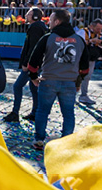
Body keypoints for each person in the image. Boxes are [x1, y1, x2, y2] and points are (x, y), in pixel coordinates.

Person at [27, 9, 89, 151]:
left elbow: (33, 60)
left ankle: (39, 140)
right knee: (68, 113)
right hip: (70, 82)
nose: (48, 22)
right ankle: (66, 141)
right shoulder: (79, 40)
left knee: (42, 111)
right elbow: (85, 66)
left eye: (51, 19)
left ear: (57, 21)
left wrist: (33, 77)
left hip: (48, 80)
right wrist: (79, 81)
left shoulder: (48, 38)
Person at [4, 8, 45, 123]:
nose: (26, 15)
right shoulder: (39, 26)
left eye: (29, 14)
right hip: (37, 62)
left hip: (32, 63)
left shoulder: (35, 27)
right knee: (33, 87)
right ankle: (35, 112)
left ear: (35, 16)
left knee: (17, 86)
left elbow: (33, 47)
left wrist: (27, 63)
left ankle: (15, 112)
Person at [80, 19, 102, 105]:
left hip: (92, 58)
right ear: (92, 26)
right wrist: (91, 41)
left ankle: (83, 95)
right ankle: (71, 94)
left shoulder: (100, 34)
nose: (99, 31)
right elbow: (79, 44)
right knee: (77, 75)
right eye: (98, 28)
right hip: (81, 58)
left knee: (87, 76)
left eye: (101, 29)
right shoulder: (83, 32)